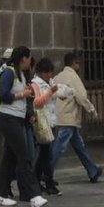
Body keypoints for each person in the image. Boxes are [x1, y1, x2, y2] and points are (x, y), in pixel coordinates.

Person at [0, 45, 47, 207]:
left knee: (10, 158)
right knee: (24, 155)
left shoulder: (22, 74)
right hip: (8, 119)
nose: (30, 61)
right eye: (29, 58)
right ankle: (35, 195)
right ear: (23, 58)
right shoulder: (9, 73)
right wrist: (22, 95)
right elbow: (3, 95)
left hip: (17, 118)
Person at [51, 51, 102, 183]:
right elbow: (81, 96)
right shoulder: (73, 77)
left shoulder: (58, 76)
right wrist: (91, 108)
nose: (79, 66)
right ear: (74, 63)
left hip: (61, 115)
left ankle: (92, 170)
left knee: (79, 145)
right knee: (60, 146)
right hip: (69, 116)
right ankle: (46, 172)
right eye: (78, 63)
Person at [31, 57, 64, 196]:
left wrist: (60, 93)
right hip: (42, 123)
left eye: (51, 72)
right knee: (47, 155)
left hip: (51, 121)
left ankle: (37, 180)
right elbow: (38, 102)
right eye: (47, 72)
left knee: (44, 155)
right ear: (41, 72)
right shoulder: (35, 84)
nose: (50, 75)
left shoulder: (49, 82)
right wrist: (51, 91)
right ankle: (49, 183)